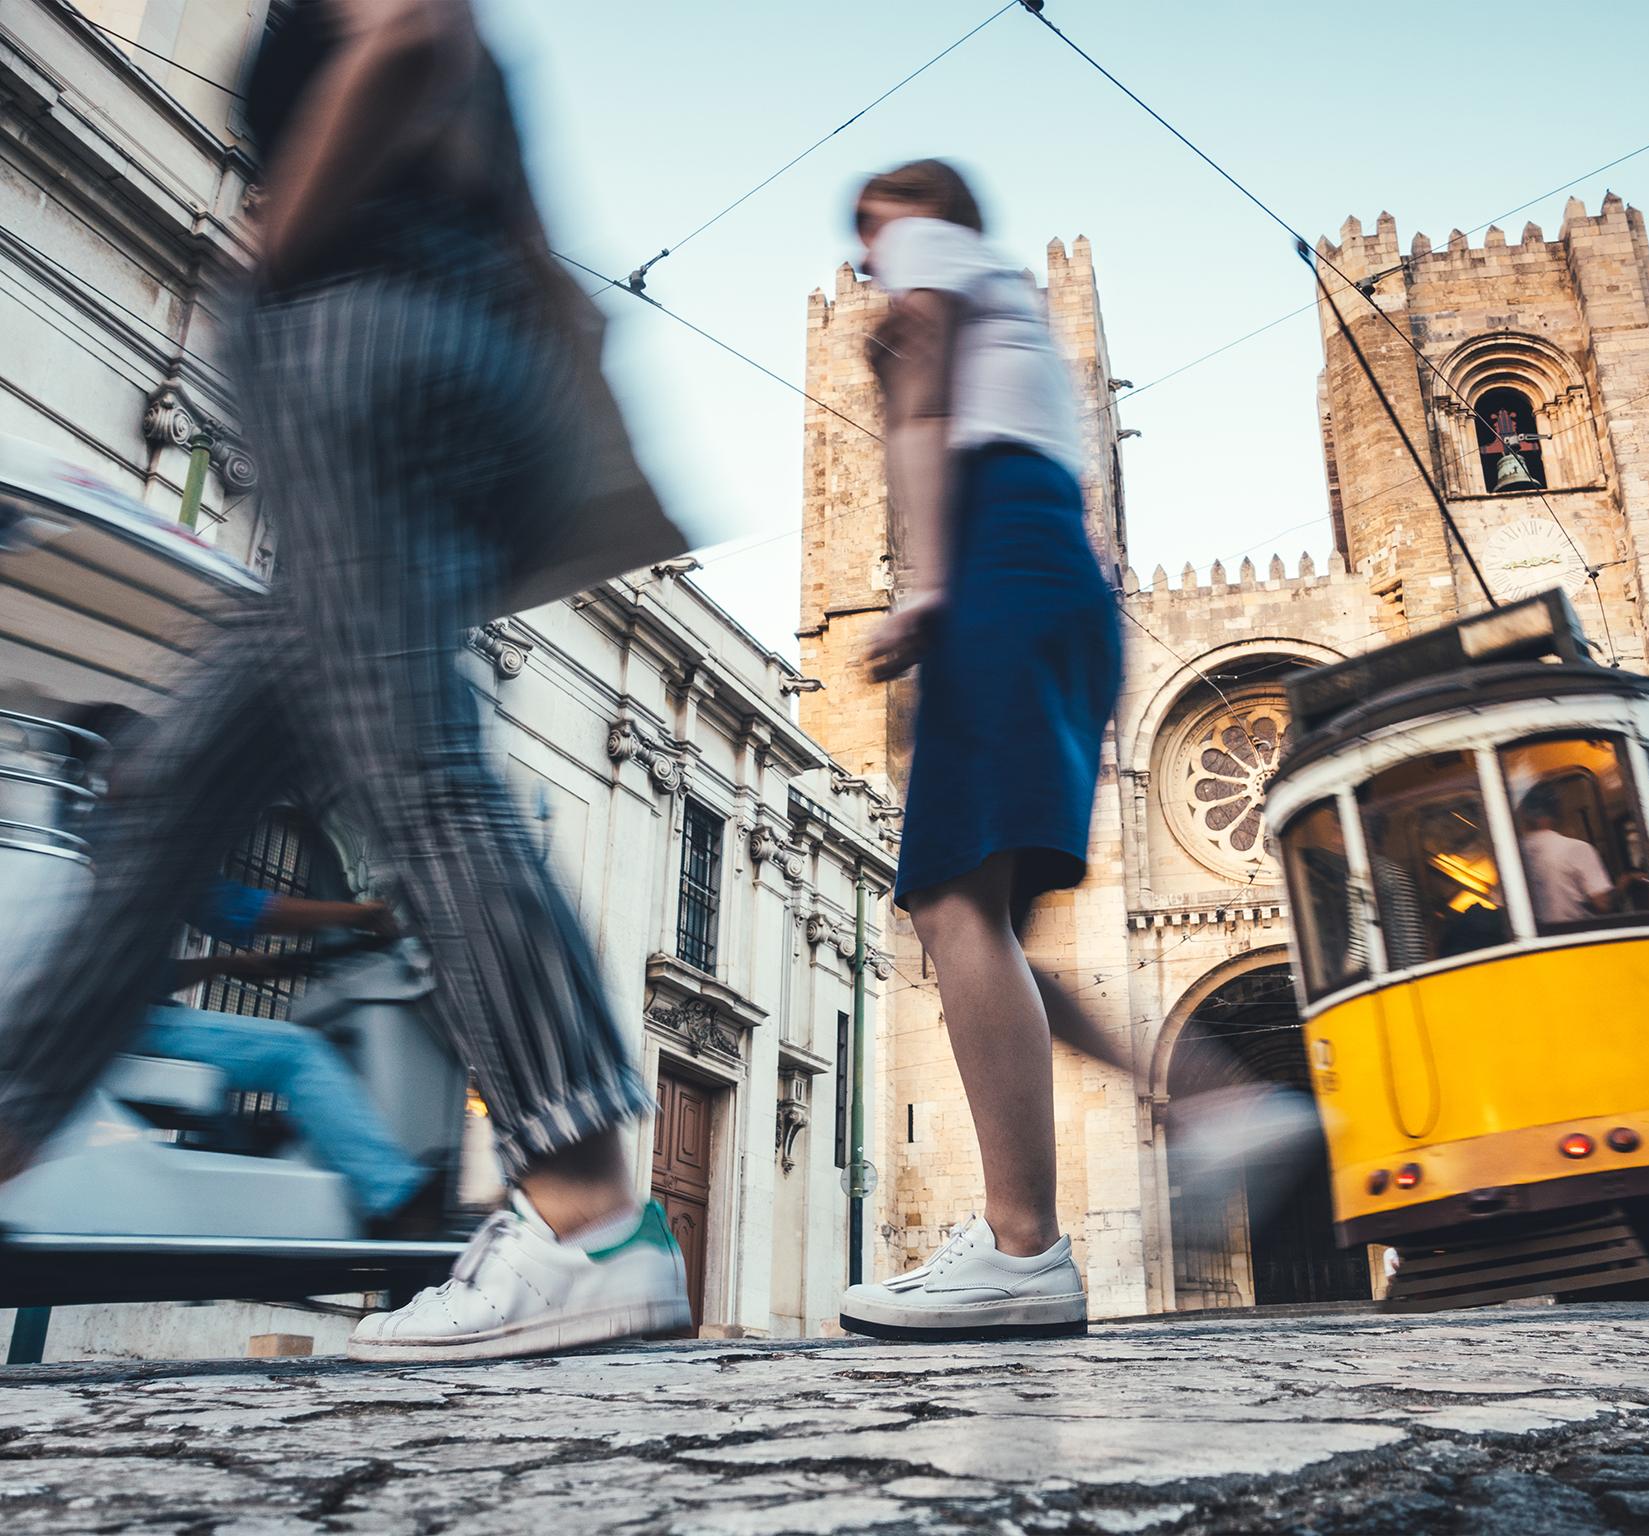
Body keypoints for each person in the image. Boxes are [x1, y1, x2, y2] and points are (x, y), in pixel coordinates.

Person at [0, 0, 685, 1360]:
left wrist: (272, 251)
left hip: (358, 333)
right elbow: (536, 239)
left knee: (419, 777)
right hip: (452, 362)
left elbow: (410, 28)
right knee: (178, 789)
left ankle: (596, 1220)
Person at [836, 160, 1122, 1341]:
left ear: (913, 215)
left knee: (949, 896)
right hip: (1062, 581)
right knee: (991, 917)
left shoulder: (936, 257)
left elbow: (920, 410)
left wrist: (924, 584)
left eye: (869, 232)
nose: (863, 260)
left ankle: (1019, 1247)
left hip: (998, 569)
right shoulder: (1017, 300)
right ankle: (1198, 1098)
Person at [1517, 782, 1643, 926]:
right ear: (1557, 814)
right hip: (1579, 935)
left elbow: (1499, 904)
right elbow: (1603, 904)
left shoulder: (1514, 855)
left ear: (1524, 815)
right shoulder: (1575, 848)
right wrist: (1626, 881)